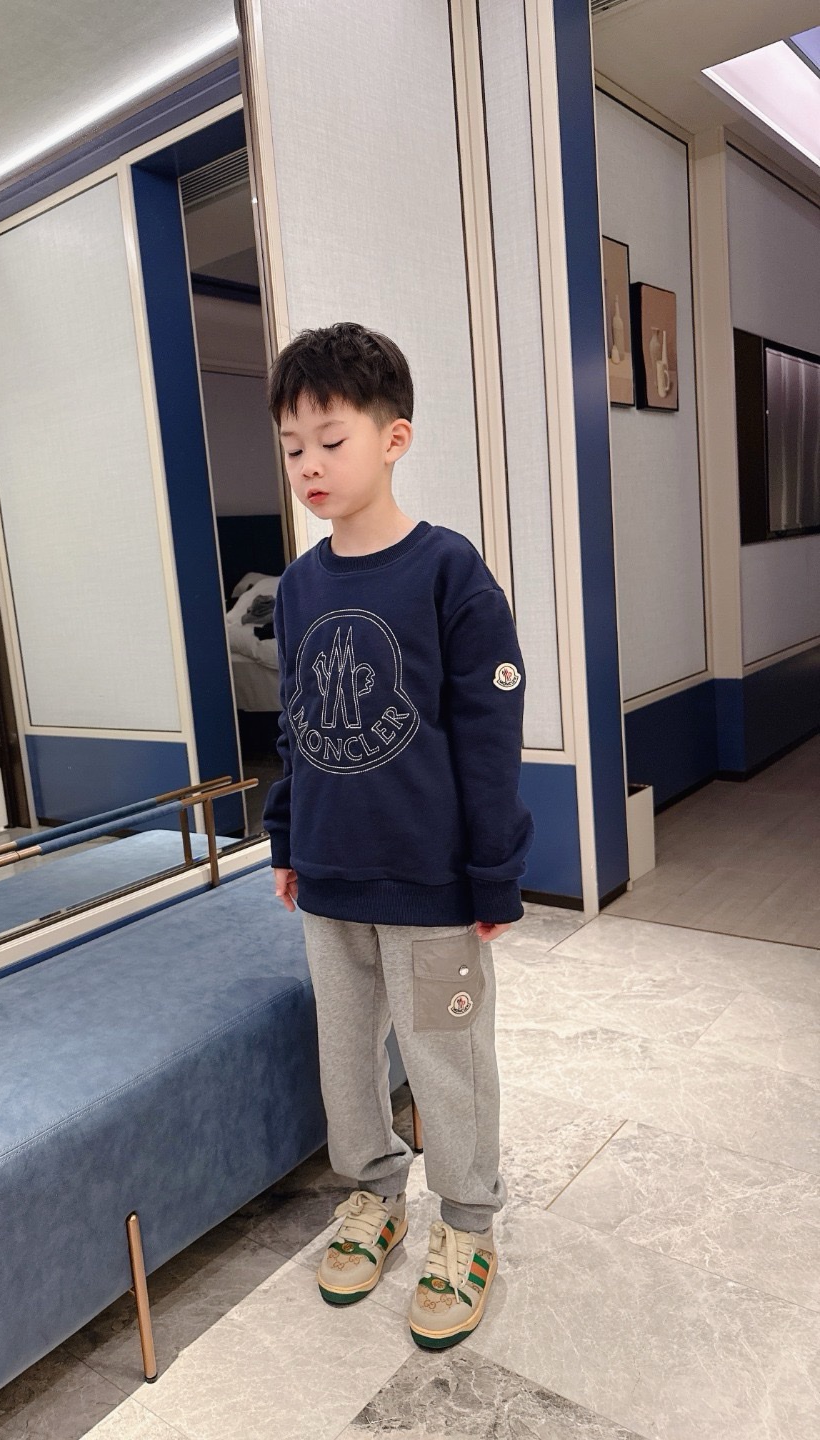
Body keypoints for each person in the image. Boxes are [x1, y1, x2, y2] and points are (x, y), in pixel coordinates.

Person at [263, 323, 533, 1350]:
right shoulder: (299, 586)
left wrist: (493, 871)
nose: (310, 465)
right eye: (293, 447)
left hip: (431, 882)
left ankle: (465, 1224)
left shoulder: (448, 571)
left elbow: (489, 735)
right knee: (346, 1057)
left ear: (394, 438)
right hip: (330, 877)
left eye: (331, 441)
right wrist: (286, 839)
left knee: (447, 1055)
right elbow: (295, 727)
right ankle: (374, 1194)